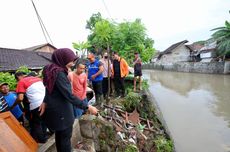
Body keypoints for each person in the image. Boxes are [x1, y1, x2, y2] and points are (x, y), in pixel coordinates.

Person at [41, 48, 98, 152]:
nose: (72, 64)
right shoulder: (59, 74)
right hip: (61, 112)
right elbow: (69, 95)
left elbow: (49, 88)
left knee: (60, 137)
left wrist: (45, 101)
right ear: (62, 59)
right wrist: (88, 106)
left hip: (55, 110)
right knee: (65, 139)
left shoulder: (50, 69)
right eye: (70, 60)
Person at [13, 71, 47, 143]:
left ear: (18, 77)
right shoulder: (37, 79)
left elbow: (20, 98)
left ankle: (42, 140)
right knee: (43, 121)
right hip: (46, 102)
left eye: (17, 79)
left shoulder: (21, 81)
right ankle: (44, 136)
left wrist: (14, 104)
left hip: (36, 105)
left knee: (36, 123)